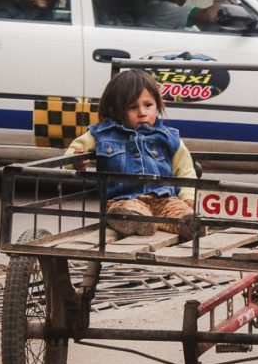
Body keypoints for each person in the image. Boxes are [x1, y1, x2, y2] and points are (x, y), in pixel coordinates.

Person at [65, 69, 202, 241]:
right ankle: (140, 222)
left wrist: (188, 196)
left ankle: (186, 225)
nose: (142, 112)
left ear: (157, 105)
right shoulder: (102, 134)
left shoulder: (168, 136)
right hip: (123, 199)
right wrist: (77, 161)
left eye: (148, 105)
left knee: (184, 213)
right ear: (115, 110)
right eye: (132, 107)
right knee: (128, 212)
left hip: (164, 199)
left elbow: (186, 169)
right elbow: (73, 152)